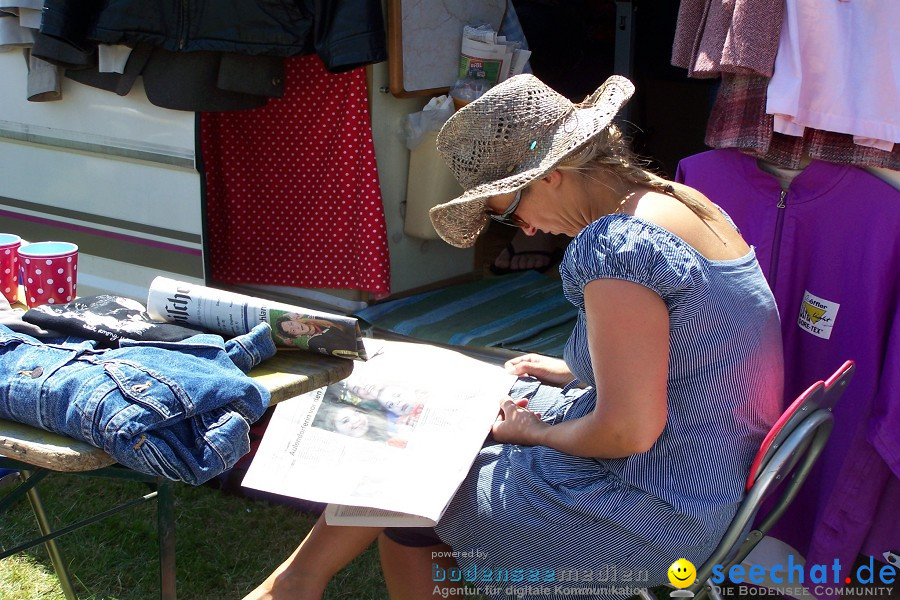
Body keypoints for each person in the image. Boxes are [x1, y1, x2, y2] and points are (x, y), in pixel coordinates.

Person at [242, 74, 784, 600]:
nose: (523, 230)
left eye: (506, 209)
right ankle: (294, 584)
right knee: (429, 416)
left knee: (405, 478)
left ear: (550, 174)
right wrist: (581, 368)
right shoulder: (681, 205)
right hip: (704, 486)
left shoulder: (618, 246)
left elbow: (627, 433)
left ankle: (291, 586)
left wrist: (534, 434)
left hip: (650, 511)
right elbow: (699, 345)